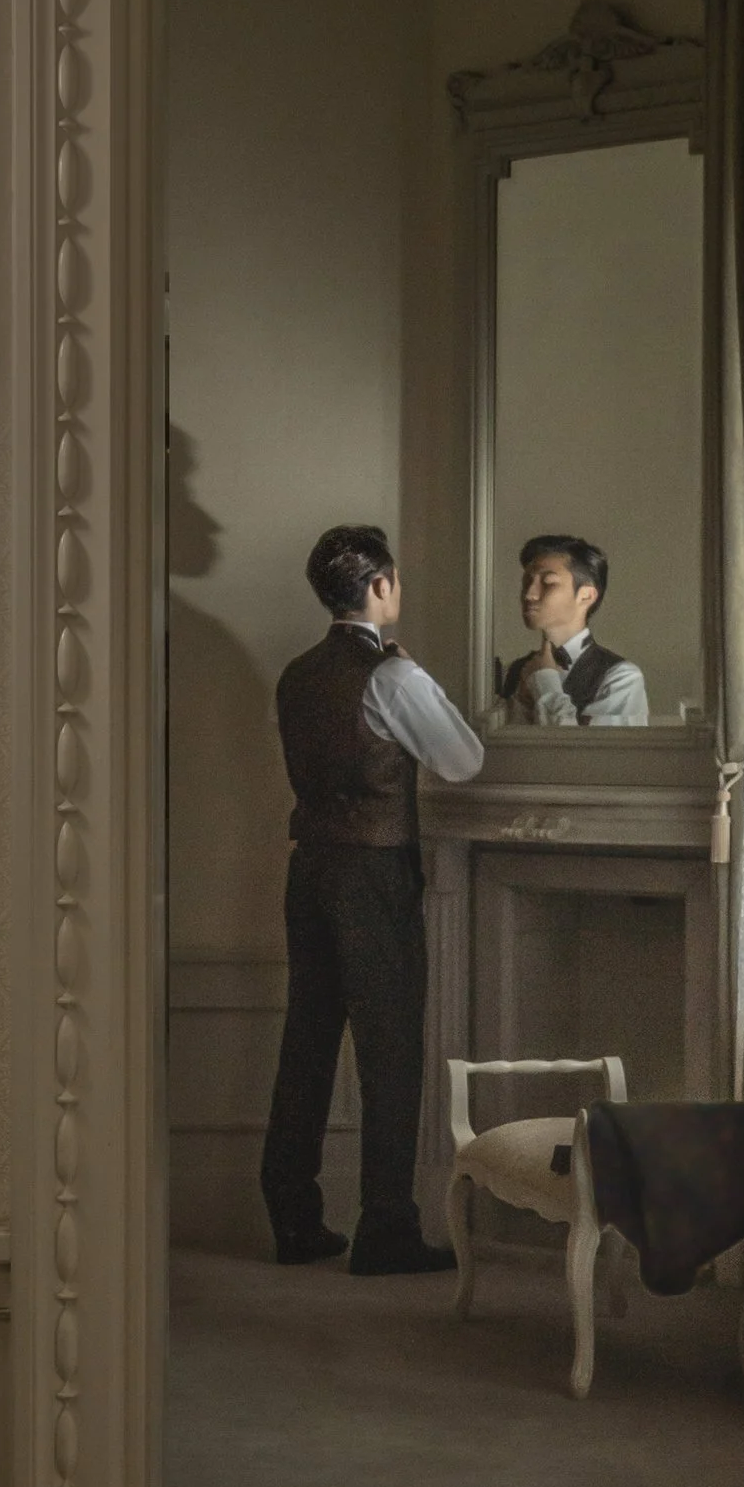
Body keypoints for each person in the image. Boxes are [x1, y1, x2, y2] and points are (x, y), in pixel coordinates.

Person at [259, 522, 484, 1274]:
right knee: (389, 1049)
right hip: (373, 874)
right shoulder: (392, 675)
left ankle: (293, 1219)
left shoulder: (296, 674)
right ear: (380, 585)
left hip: (309, 871)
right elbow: (462, 759)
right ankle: (386, 1228)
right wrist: (413, 671)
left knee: (308, 1039)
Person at [496, 534, 650, 727]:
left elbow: (587, 747)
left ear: (586, 596)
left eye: (548, 583)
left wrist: (545, 683)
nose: (529, 595)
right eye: (527, 582)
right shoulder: (513, 672)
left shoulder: (621, 678)